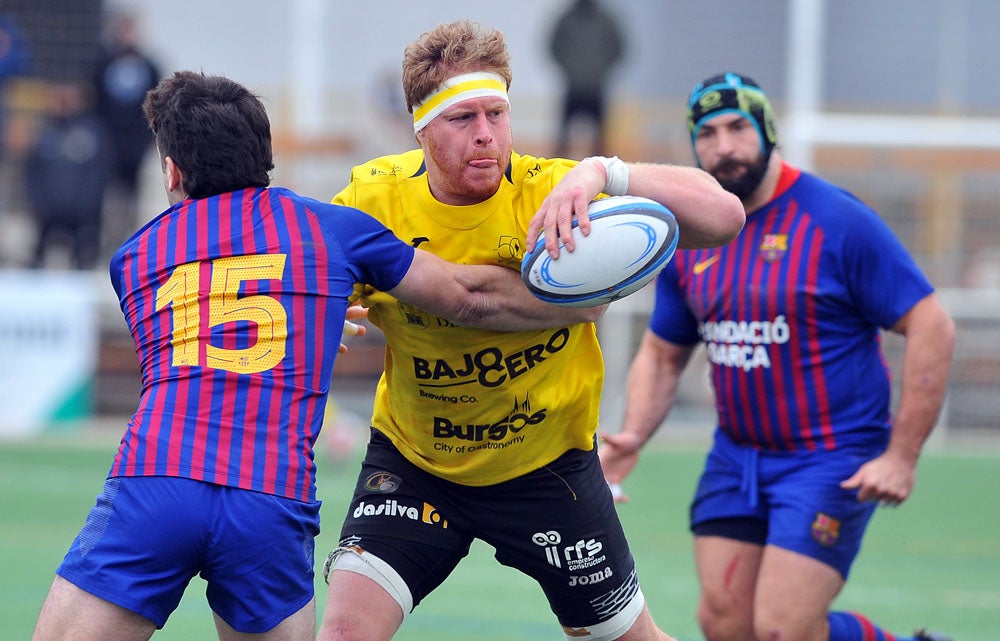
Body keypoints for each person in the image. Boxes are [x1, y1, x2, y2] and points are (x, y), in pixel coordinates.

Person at [29, 70, 619, 641]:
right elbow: (470, 298)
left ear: (172, 170)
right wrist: (584, 304)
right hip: (269, 498)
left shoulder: (133, 258)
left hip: (155, 483)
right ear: (267, 158)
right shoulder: (333, 229)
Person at [317, 20, 745, 641]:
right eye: (463, 118)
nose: (486, 134)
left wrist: (605, 171)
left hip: (547, 467)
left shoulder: (553, 190)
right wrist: (323, 313)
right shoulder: (372, 200)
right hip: (416, 462)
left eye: (498, 112)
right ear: (421, 128)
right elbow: (311, 287)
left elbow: (725, 217)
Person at [598, 72, 956, 641]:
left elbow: (931, 323)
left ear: (768, 130)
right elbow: (664, 354)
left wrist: (902, 455)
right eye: (708, 133)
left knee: (782, 631)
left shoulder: (836, 219)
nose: (724, 146)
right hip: (736, 458)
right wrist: (633, 436)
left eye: (739, 127)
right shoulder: (693, 237)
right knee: (724, 625)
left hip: (829, 457)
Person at [92, 10, 162, 258]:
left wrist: (150, 138)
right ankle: (105, 242)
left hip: (135, 143)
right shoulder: (103, 63)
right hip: (108, 143)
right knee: (106, 195)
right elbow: (95, 102)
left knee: (133, 195)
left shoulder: (149, 66)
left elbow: (157, 101)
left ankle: (131, 242)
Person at [26, 80, 113, 270]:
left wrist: (87, 206)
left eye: (68, 97)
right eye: (59, 97)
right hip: (48, 214)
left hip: (83, 216)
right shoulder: (44, 131)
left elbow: (99, 175)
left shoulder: (92, 132)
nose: (63, 102)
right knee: (34, 260)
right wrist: (40, 205)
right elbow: (33, 174)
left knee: (86, 260)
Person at [548, 0, 625, 158]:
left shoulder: (606, 20)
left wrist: (600, 71)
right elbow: (553, 47)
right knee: (563, 139)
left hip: (596, 88)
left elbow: (618, 49)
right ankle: (556, 174)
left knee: (601, 141)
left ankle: (601, 175)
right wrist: (569, 70)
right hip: (573, 87)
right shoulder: (567, 19)